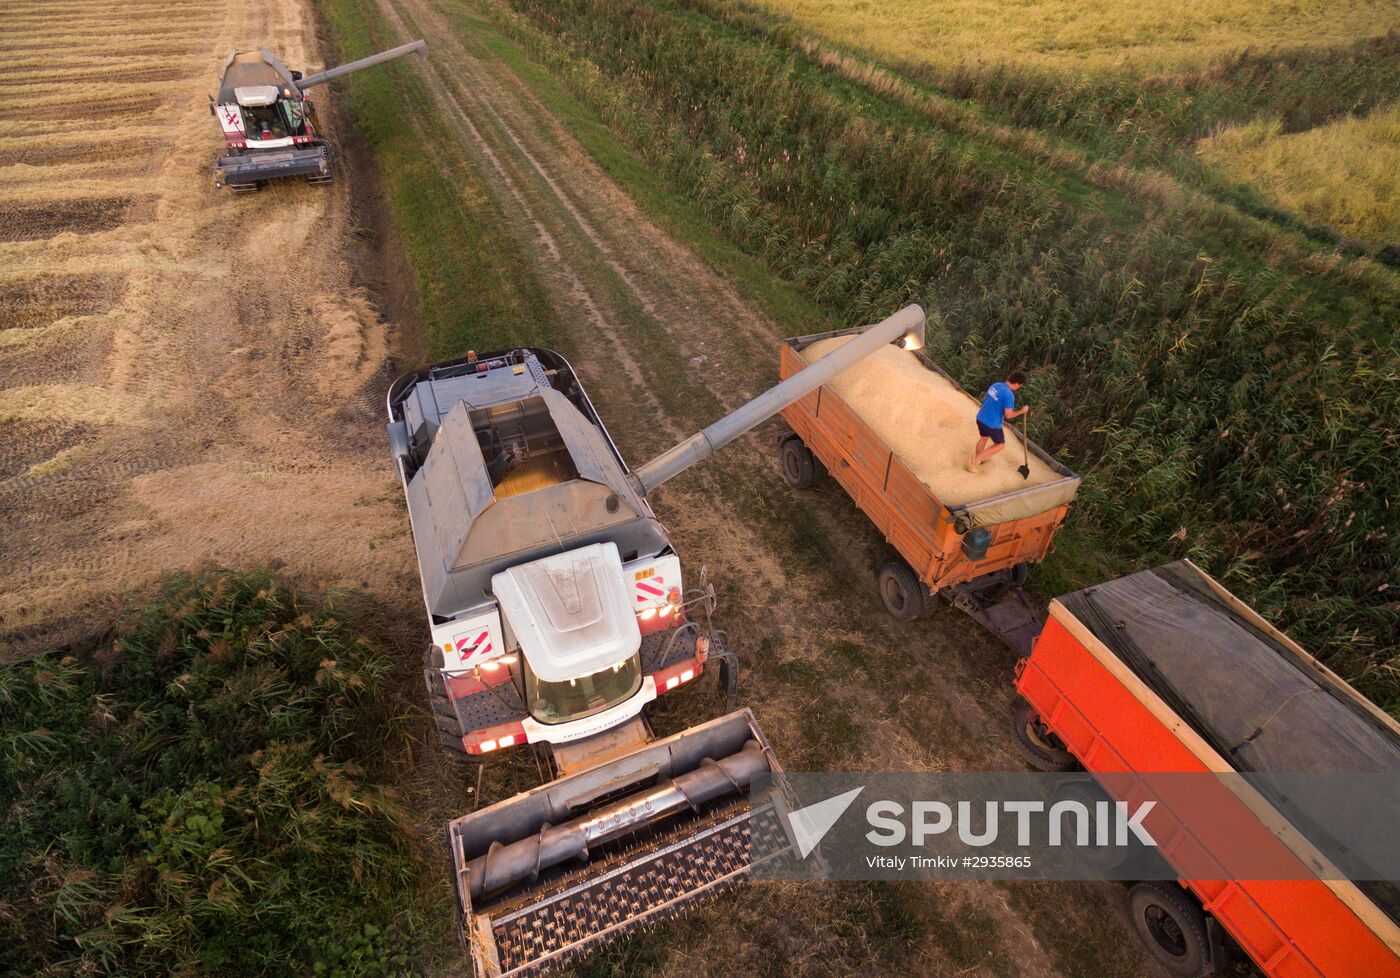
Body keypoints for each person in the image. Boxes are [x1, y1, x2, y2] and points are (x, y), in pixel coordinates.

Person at [969, 371, 1028, 472]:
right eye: (1019, 386)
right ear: (1017, 384)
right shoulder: (1009, 395)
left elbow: (989, 399)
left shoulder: (996, 385)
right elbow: (1009, 415)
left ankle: (979, 460)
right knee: (1000, 444)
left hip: (981, 417)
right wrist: (1021, 411)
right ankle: (976, 460)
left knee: (984, 438)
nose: (1018, 388)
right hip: (992, 424)